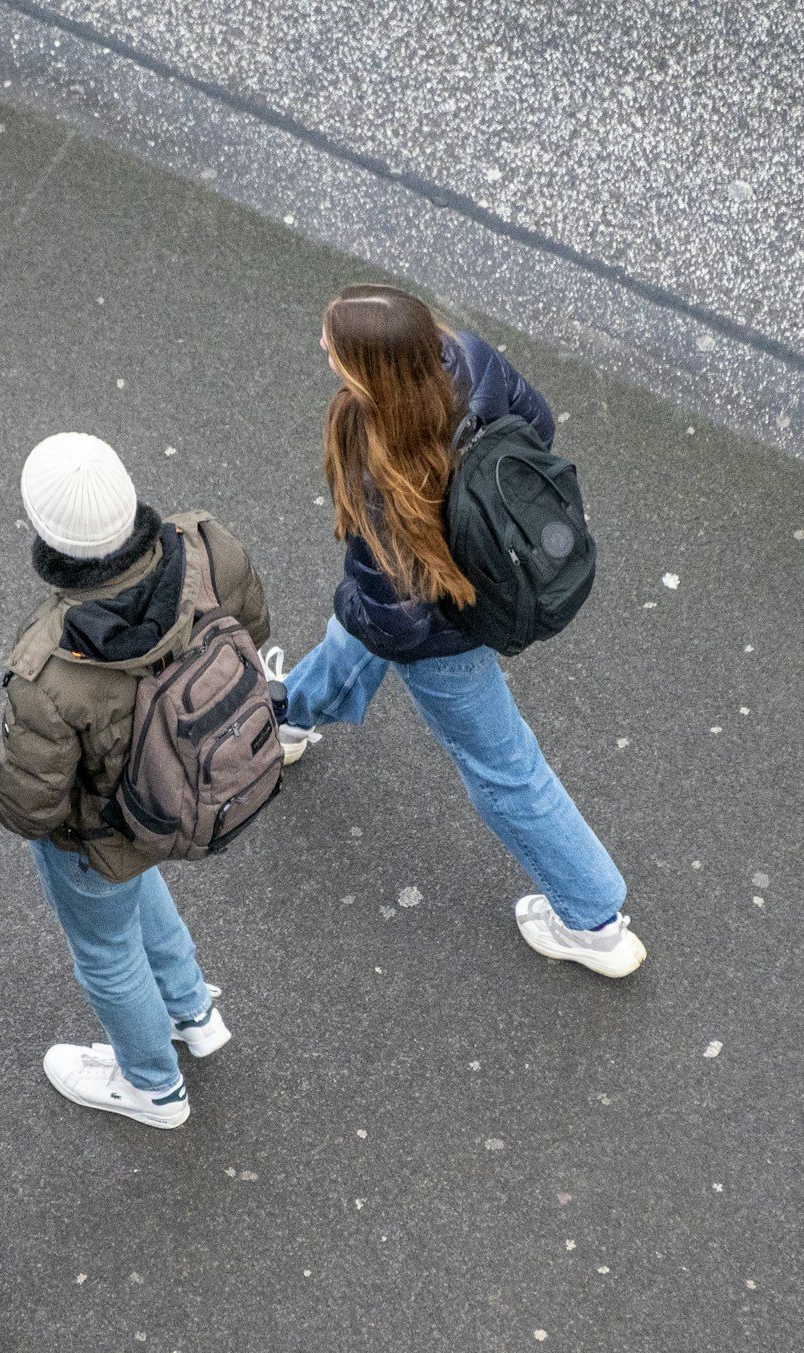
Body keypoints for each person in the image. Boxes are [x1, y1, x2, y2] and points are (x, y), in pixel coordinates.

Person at [270, 284, 646, 977]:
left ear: (370, 372)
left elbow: (393, 619)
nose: (323, 347)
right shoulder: (464, 356)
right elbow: (538, 423)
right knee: (353, 631)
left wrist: (363, 604)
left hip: (439, 633)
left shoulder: (370, 448)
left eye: (335, 344)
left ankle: (594, 919)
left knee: (506, 769)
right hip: (477, 588)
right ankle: (287, 715)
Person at [0, 431, 272, 1127]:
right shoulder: (208, 546)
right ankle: (191, 1009)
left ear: (48, 537)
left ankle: (152, 1083)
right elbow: (256, 630)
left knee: (106, 953)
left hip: (106, 830)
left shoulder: (51, 666)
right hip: (184, 793)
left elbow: (28, 807)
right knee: (139, 889)